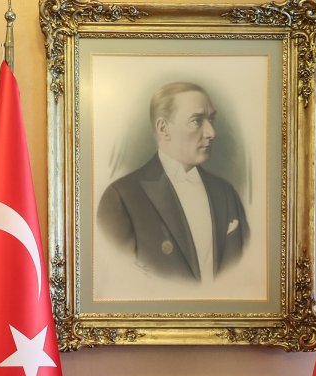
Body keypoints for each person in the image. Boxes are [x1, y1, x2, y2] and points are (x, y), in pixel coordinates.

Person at [97, 81, 250, 282]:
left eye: (211, 119)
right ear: (163, 128)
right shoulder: (121, 197)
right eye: (197, 121)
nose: (211, 132)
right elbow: (119, 283)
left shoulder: (226, 193)